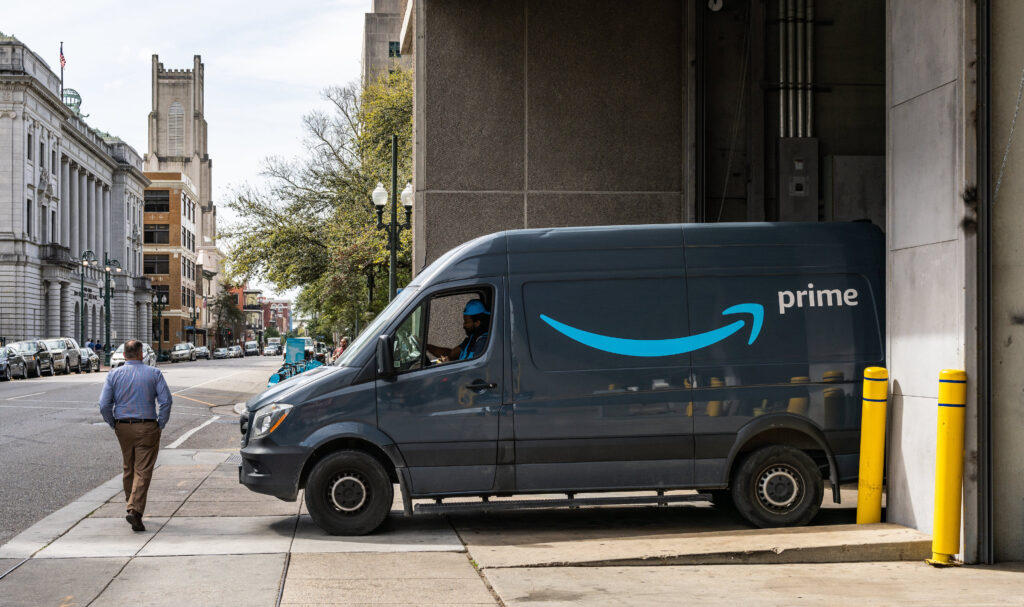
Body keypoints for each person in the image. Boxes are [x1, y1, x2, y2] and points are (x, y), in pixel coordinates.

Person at [98, 339, 172, 532]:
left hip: (123, 427)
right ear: (141, 354)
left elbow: (104, 404)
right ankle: (134, 510)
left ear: (124, 355)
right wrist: (161, 424)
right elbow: (166, 402)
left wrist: (113, 423)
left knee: (128, 468)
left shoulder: (113, 374)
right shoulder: (154, 373)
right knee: (143, 470)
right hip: (147, 426)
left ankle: (131, 504)